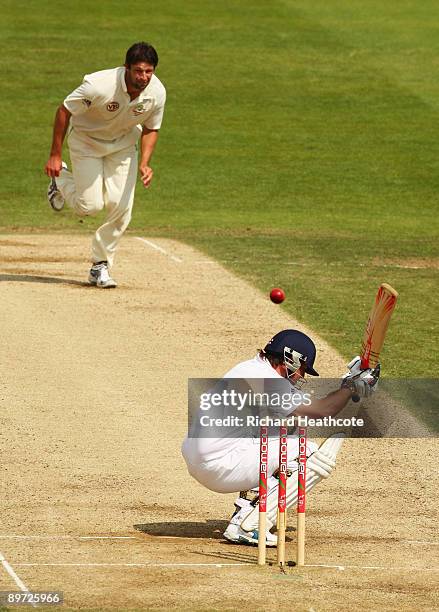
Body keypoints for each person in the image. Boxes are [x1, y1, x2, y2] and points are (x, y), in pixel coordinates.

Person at [181, 329, 380, 546]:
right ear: (291, 359)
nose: (302, 376)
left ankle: (246, 510)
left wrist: (347, 386)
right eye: (302, 369)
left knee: (287, 427)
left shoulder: (253, 370)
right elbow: (322, 411)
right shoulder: (266, 380)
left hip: (207, 457)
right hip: (218, 464)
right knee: (310, 453)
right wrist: (351, 386)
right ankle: (251, 524)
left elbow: (306, 412)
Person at [44, 42, 166, 288]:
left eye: (149, 71)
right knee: (89, 207)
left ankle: (100, 265)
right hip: (87, 142)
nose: (144, 77)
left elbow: (152, 128)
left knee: (121, 208)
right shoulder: (99, 86)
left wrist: (145, 163)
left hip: (122, 145)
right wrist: (55, 155)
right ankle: (60, 179)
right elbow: (64, 111)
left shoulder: (157, 92)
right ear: (127, 68)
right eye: (139, 71)